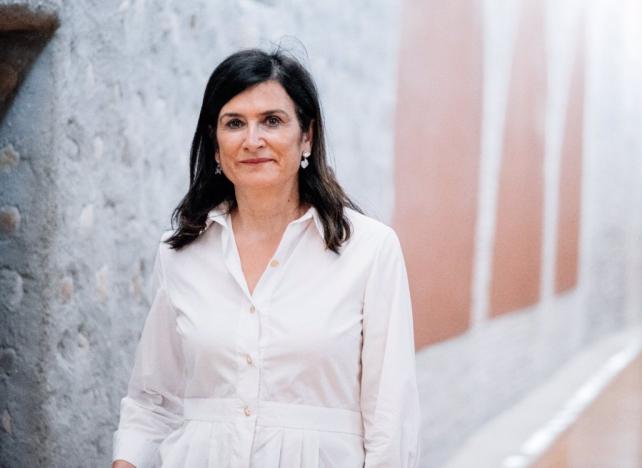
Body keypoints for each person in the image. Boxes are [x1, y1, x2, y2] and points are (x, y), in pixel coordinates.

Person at [111, 48, 420, 468]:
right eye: (234, 123)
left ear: (307, 136)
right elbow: (152, 402)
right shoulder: (179, 253)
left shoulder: (369, 250)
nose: (252, 140)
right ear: (215, 143)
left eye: (272, 121)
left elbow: (390, 418)